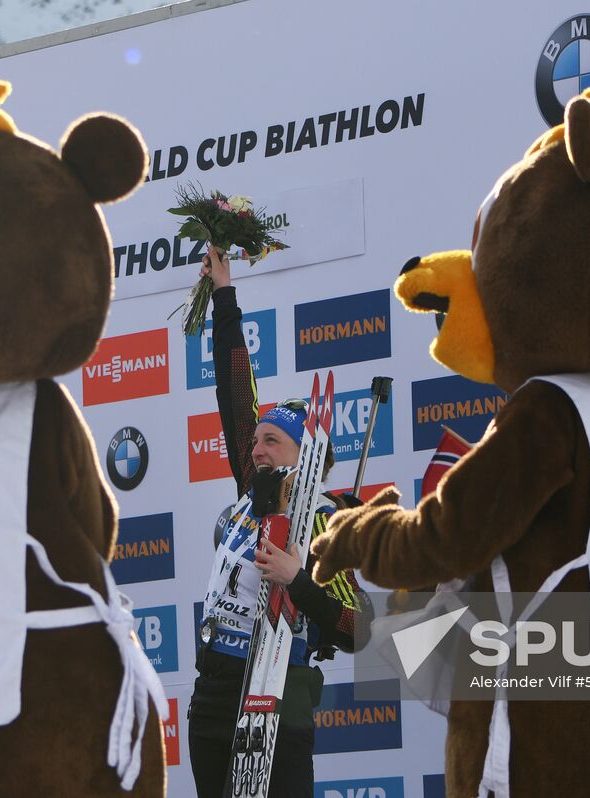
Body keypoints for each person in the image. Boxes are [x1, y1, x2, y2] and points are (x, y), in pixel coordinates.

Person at [187, 246, 372, 798]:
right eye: (256, 439)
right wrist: (224, 294)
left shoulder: (321, 522)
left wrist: (298, 580)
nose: (257, 446)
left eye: (272, 440)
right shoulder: (251, 491)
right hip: (214, 691)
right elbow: (234, 392)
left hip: (277, 690)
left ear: (302, 453)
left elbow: (358, 628)